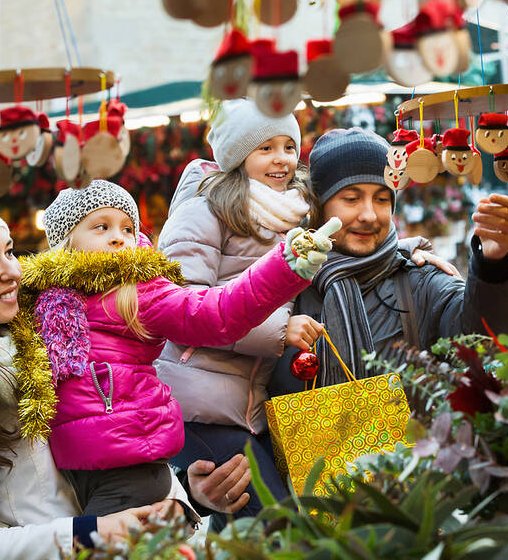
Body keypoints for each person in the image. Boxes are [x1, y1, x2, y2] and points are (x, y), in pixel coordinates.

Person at [153, 100, 456, 525]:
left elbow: (348, 234)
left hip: (253, 412)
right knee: (276, 526)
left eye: (287, 147)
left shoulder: (294, 214)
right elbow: (181, 307)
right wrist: (279, 329)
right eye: (264, 148)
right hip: (204, 401)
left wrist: (405, 249)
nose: (280, 159)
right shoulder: (214, 214)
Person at [13, 179, 335, 518]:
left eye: (126, 228)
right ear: (66, 242)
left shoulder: (137, 292)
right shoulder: (46, 302)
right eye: (101, 226)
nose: (117, 236)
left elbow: (217, 312)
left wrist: (282, 268)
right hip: (76, 466)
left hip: (129, 465)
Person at [0, 205, 191, 559]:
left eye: (10, 252)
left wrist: (185, 497)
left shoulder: (49, 336)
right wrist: (91, 533)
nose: (13, 271)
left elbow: (110, 456)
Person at [269, 127, 508, 396]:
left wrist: (495, 264)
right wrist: (276, 335)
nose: (369, 215)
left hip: (411, 438)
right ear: (319, 207)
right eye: (351, 198)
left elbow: (484, 343)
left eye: (382, 199)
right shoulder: (284, 283)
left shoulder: (419, 279)